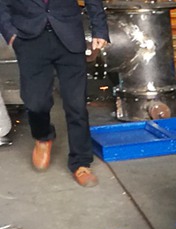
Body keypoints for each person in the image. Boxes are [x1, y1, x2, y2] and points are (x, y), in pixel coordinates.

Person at [0, 0, 108, 186]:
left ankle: (81, 163)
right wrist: (10, 33)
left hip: (69, 35)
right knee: (35, 102)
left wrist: (99, 30)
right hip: (29, 38)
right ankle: (43, 136)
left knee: (76, 104)